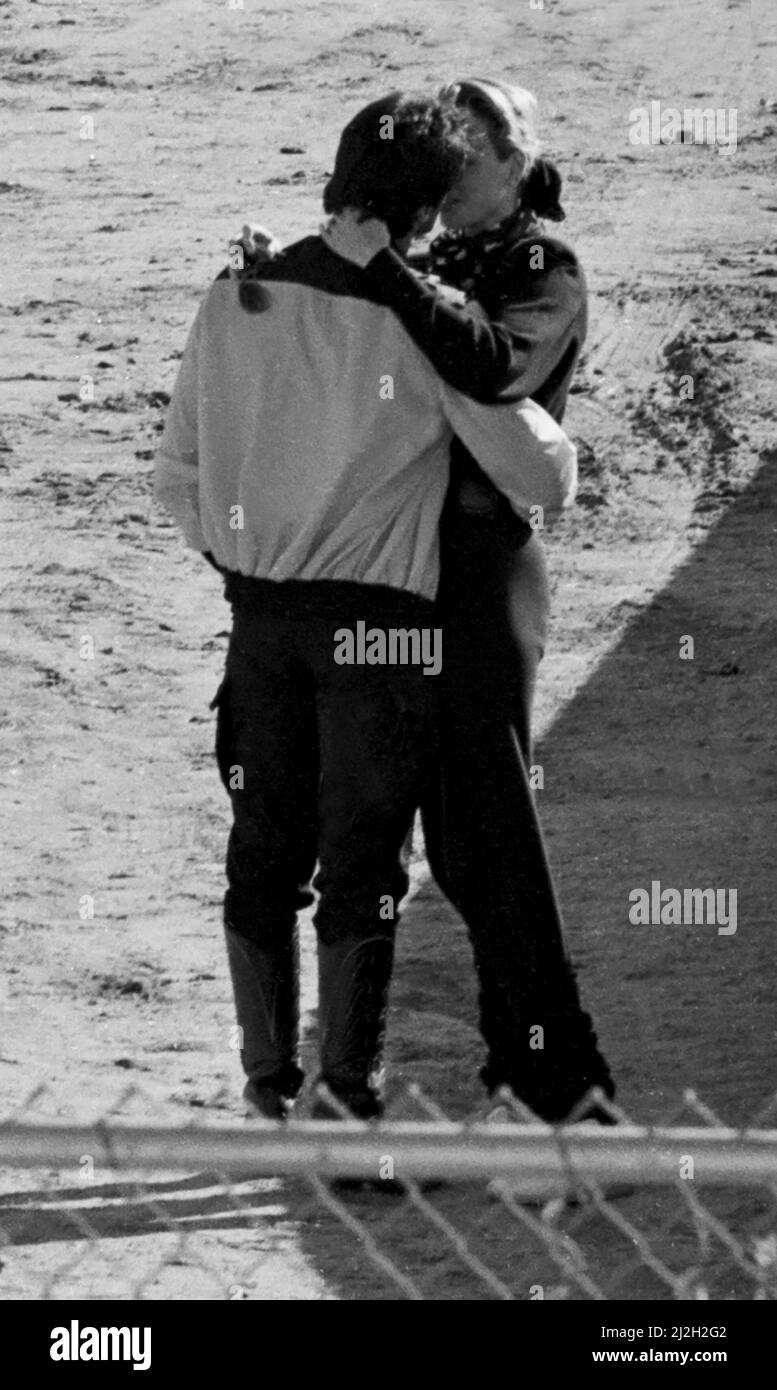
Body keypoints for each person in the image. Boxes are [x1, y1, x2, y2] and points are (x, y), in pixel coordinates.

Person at [154, 92, 578, 1123]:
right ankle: (345, 1098)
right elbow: (541, 471)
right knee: (360, 871)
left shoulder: (236, 291)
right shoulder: (414, 322)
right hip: (376, 634)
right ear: (427, 212)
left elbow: (176, 479)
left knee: (262, 858)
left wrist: (251, 565)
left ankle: (265, 1086)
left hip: (259, 621)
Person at [320, 78, 616, 1124]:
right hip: (412, 563)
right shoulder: (446, 258)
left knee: (488, 835)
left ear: (516, 160)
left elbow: (495, 368)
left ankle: (568, 1087)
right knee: (457, 838)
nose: (445, 183)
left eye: (465, 161)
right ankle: (523, 1074)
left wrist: (388, 274)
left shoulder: (545, 267)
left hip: (484, 571)